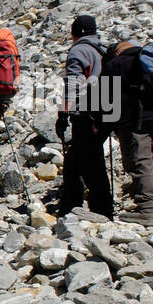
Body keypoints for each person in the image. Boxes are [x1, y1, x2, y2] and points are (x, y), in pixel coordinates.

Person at [104, 40, 153, 225]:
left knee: (142, 161)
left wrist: (105, 125)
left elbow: (106, 101)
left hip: (137, 120)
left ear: (116, 51)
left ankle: (146, 210)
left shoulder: (117, 63)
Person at [55, 14, 112, 218]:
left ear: (75, 33)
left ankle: (88, 209)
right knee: (87, 159)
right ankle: (94, 208)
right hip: (105, 113)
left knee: (83, 164)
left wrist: (64, 113)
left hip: (86, 114)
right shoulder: (103, 51)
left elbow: (74, 83)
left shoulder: (79, 50)